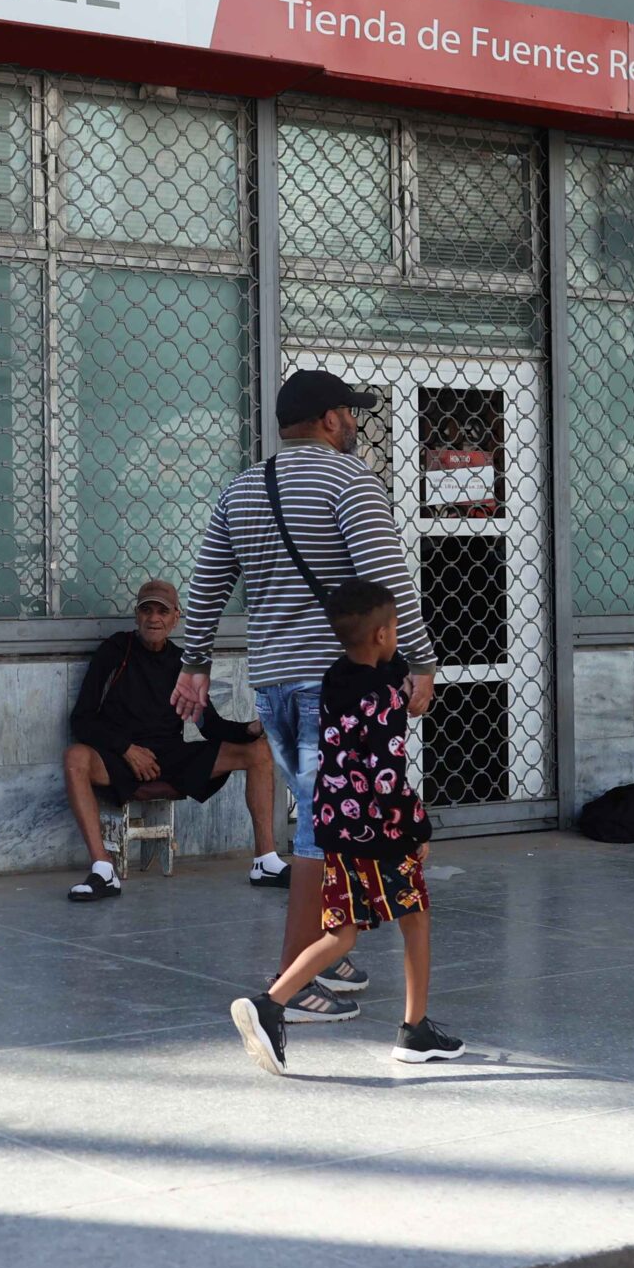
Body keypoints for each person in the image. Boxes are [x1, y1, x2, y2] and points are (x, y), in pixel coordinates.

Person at [173, 369, 441, 1025]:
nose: (356, 423)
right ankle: (287, 990)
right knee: (324, 831)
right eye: (352, 412)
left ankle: (329, 955)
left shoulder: (241, 489)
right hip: (336, 689)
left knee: (325, 818)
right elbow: (385, 582)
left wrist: (194, 663)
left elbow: (207, 585)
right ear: (329, 419)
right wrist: (423, 663)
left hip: (274, 687)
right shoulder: (351, 483)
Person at [228, 580, 463, 1075]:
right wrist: (416, 831)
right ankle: (414, 1029)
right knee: (415, 917)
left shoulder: (335, 678)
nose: (399, 634)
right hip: (380, 831)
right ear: (382, 634)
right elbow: (386, 775)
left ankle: (270, 1005)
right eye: (396, 627)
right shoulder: (382, 700)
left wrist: (396, 673)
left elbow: (382, 676)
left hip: (337, 825)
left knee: (343, 934)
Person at [63, 577, 286, 902]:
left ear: (175, 618)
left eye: (162, 612)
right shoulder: (116, 651)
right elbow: (81, 719)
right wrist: (126, 749)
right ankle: (103, 869)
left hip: (170, 757)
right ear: (137, 616)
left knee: (259, 751)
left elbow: (210, 725)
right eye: (147, 610)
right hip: (120, 758)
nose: (154, 618)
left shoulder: (183, 663)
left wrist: (248, 730)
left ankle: (266, 861)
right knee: (74, 757)